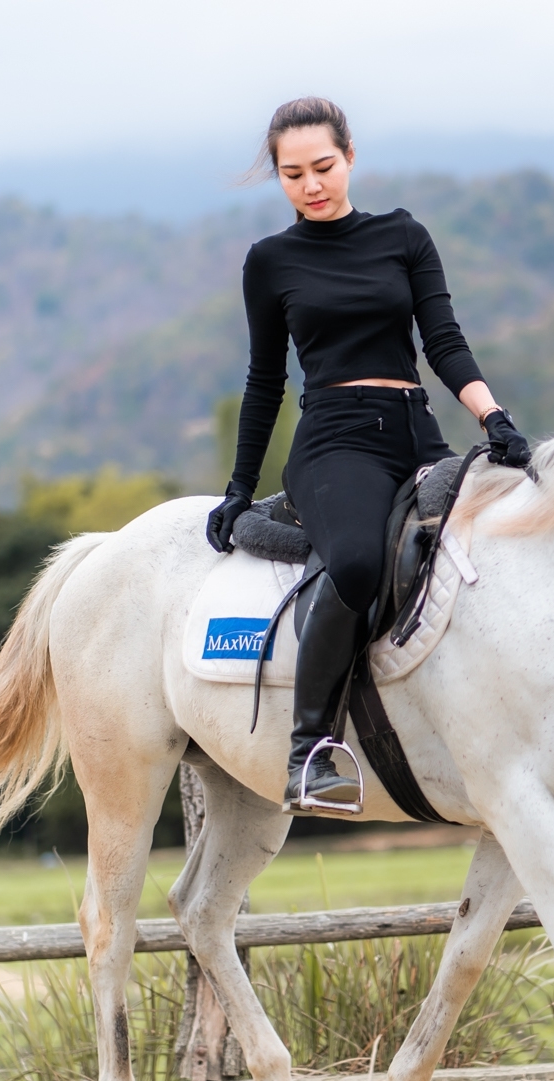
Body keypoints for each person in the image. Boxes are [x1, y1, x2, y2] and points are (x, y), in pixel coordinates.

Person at [206, 97, 531, 814]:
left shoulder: (403, 236)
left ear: (350, 156)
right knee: (355, 564)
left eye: (323, 167)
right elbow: (264, 381)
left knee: (504, 544)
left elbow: (443, 341)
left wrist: (494, 417)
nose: (311, 185)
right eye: (293, 174)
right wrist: (238, 486)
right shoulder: (270, 261)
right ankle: (309, 753)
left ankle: (533, 737)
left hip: (416, 431)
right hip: (334, 440)